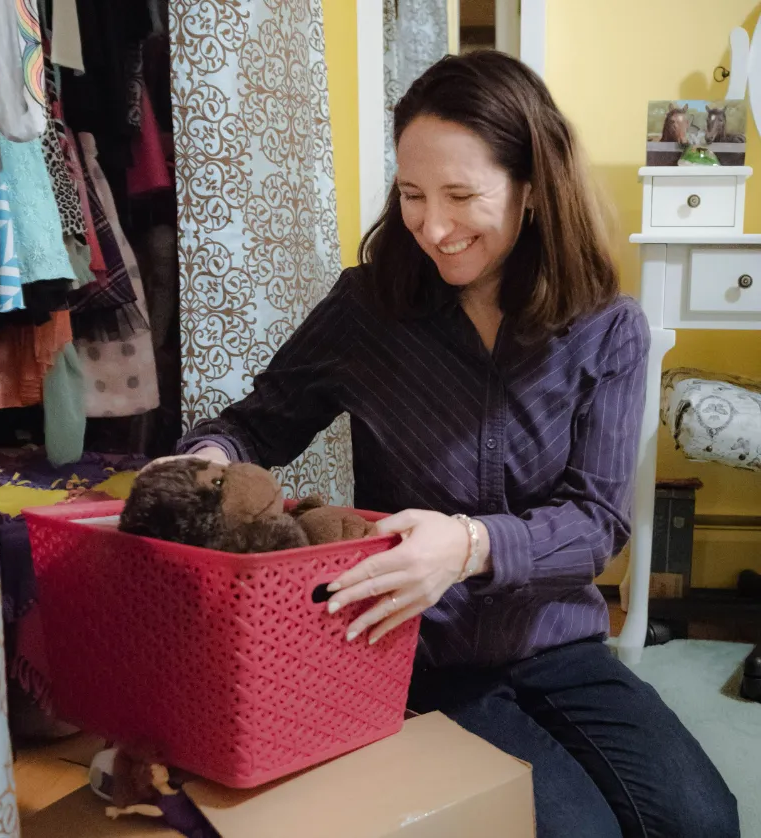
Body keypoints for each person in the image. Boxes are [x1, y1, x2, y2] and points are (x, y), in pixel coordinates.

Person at [164, 51, 739, 837]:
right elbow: (259, 422)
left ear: (533, 188)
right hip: (412, 653)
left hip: (560, 642)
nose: (432, 226)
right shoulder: (367, 307)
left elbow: (598, 523)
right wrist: (208, 458)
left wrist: (468, 545)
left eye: (463, 195)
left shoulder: (609, 328)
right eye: (411, 195)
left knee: (703, 820)